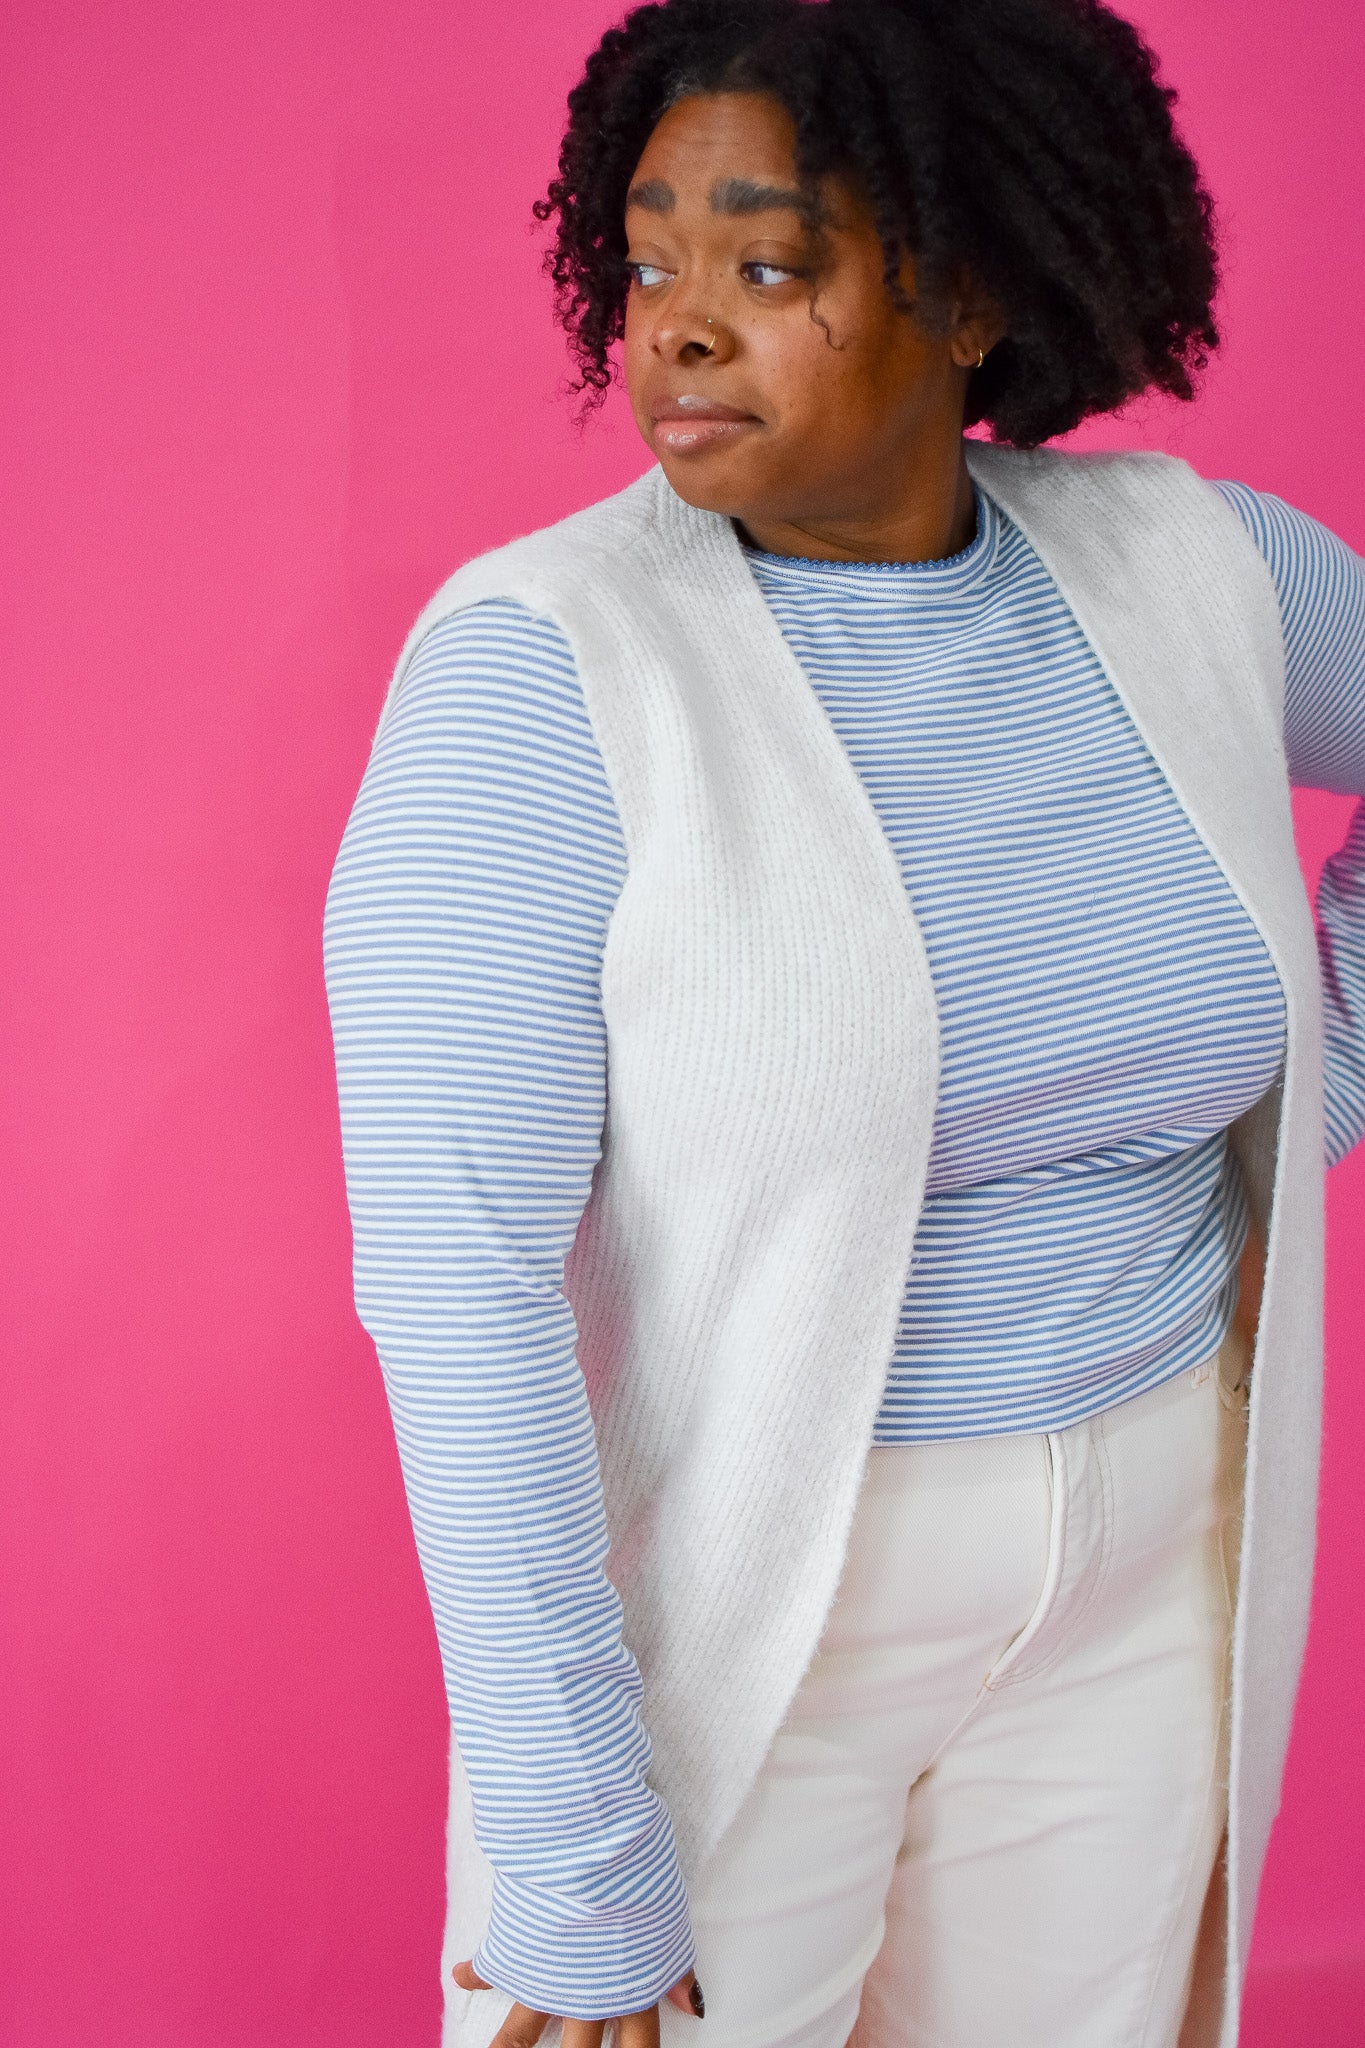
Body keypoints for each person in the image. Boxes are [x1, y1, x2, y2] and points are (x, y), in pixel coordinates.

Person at [322, 3, 1365, 2045]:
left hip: (1150, 1545)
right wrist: (573, 1846)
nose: (679, 327)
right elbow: (454, 1282)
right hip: (752, 1600)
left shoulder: (1188, 568)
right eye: (649, 262)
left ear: (968, 293)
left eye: (767, 261)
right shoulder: (540, 673)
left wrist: (1314, 1072)